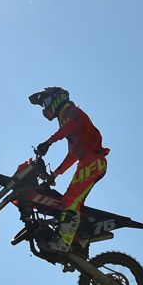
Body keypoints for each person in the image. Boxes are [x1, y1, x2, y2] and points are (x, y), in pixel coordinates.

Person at [30, 87, 110, 254]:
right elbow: (72, 155)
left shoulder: (71, 112)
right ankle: (79, 242)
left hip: (93, 161)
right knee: (70, 202)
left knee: (70, 199)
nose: (45, 107)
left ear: (57, 98)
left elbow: (69, 126)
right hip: (88, 161)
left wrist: (48, 142)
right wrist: (55, 174)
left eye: (46, 102)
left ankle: (64, 242)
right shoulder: (68, 120)